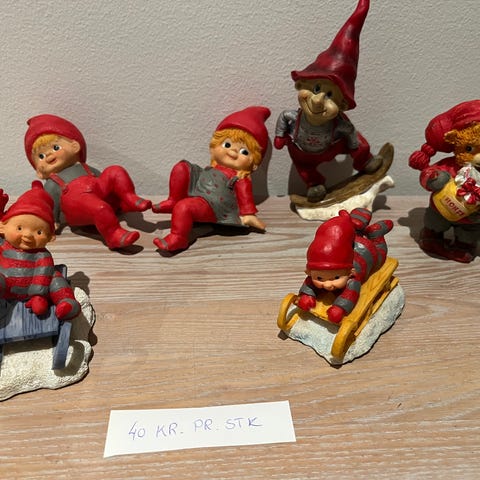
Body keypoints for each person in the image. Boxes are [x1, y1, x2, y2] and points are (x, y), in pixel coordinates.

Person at [274, 0, 383, 202]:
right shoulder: (292, 116)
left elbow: (349, 131)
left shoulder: (339, 123)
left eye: (330, 95)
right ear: (301, 85)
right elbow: (283, 117)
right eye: (315, 89)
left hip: (333, 145)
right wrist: (280, 136)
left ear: (342, 105)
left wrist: (354, 147)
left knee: (359, 143)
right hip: (303, 153)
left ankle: (364, 161)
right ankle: (314, 184)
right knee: (304, 168)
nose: (317, 100)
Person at [24, 114, 152, 250]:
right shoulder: (52, 183)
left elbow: (103, 179)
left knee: (115, 171)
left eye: (56, 148)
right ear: (38, 170)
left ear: (75, 146)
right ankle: (113, 234)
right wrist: (52, 221)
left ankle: (128, 198)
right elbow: (51, 204)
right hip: (78, 205)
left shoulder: (84, 167)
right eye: (41, 156)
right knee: (100, 207)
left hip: (97, 190)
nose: (49, 155)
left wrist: (112, 189)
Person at [152, 106, 270, 252]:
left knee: (184, 207)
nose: (233, 151)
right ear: (214, 146)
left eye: (244, 152)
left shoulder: (240, 178)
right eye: (227, 144)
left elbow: (245, 197)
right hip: (199, 188)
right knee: (181, 168)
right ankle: (173, 200)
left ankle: (179, 237)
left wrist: (248, 215)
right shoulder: (213, 168)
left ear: (254, 162)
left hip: (214, 204)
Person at [297, 208, 392, 324]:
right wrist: (306, 295)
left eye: (336, 278)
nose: (327, 285)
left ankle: (376, 235)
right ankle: (355, 224)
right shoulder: (317, 271)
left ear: (351, 272)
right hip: (349, 242)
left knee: (380, 257)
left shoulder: (352, 279)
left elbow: (350, 294)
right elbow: (309, 282)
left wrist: (339, 308)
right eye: (320, 278)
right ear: (309, 272)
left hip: (367, 250)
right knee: (350, 234)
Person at [0, 181, 80, 320]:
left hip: (33, 288)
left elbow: (42, 274)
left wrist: (38, 294)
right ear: (3, 227)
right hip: (4, 284)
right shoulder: (3, 245)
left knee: (55, 278)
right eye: (19, 228)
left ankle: (66, 302)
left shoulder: (42, 255)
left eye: (39, 232)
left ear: (50, 237)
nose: (27, 235)